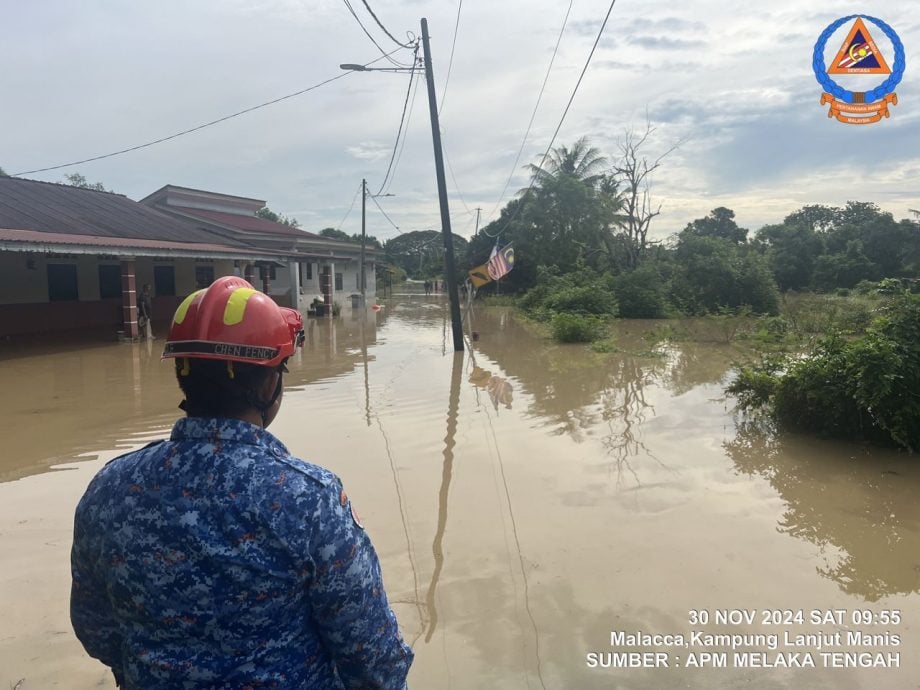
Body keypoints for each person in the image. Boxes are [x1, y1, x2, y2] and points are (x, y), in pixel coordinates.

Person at [71, 276, 413, 689]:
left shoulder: (111, 487)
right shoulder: (308, 500)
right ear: (270, 382)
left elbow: (96, 628)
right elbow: (372, 655)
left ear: (183, 373)